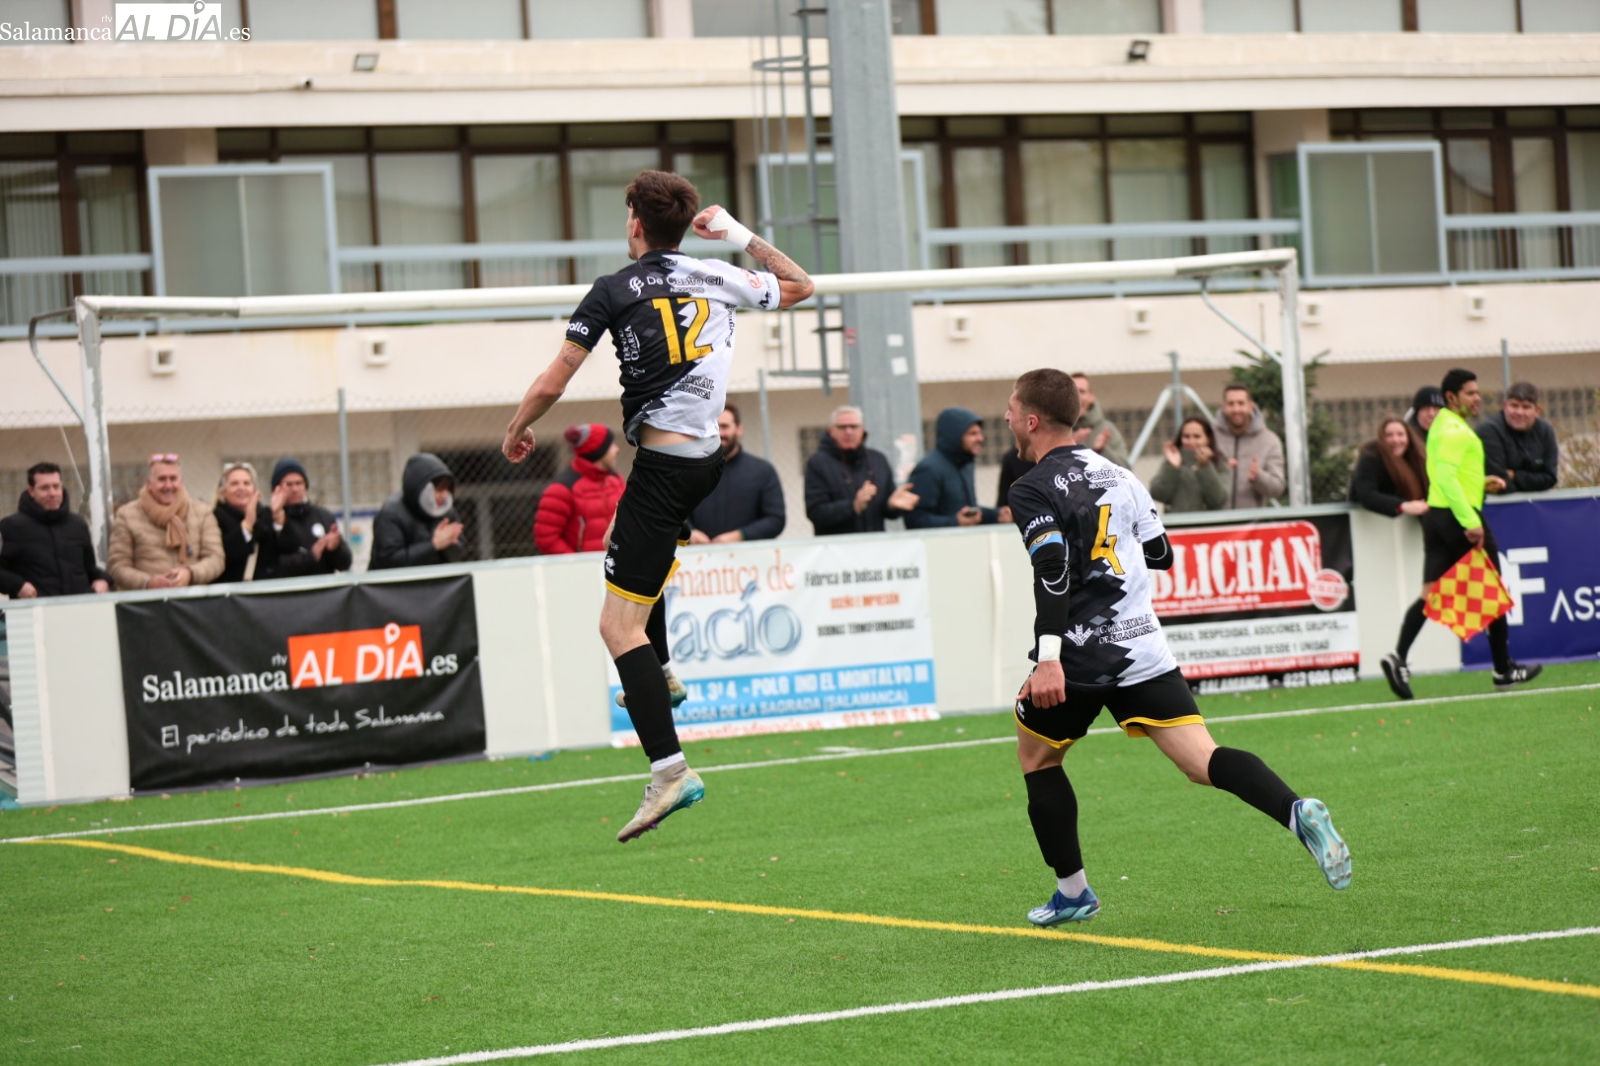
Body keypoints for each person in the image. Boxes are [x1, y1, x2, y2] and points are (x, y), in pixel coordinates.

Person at [500, 169, 812, 843]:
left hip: (665, 468)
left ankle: (670, 771)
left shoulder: (614, 288)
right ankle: (663, 671)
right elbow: (800, 284)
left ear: (636, 224)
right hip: (701, 462)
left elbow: (556, 378)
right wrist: (737, 234)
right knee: (630, 543)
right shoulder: (716, 273)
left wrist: (518, 426)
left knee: (617, 629)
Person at [1001, 368, 1350, 927]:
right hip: (1143, 647)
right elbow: (1160, 552)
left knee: (1037, 757)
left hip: (1082, 655)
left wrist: (1048, 659)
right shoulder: (1121, 474)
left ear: (1033, 420)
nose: (1007, 418)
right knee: (1202, 760)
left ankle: (1073, 893)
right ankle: (1294, 808)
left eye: (1012, 410)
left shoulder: (1030, 487)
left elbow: (1052, 569)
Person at [1382, 368, 1542, 700]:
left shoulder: (1442, 425)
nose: (1477, 398)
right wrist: (1470, 520)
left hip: (1437, 516)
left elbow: (1446, 475)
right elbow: (1447, 477)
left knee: (1430, 593)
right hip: (1458, 517)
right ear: (1451, 397)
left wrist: (1481, 484)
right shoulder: (1455, 430)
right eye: (1470, 393)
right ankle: (1503, 670)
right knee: (1493, 590)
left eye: (1477, 392)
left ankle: (1398, 657)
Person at [107, 453, 225, 591]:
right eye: (162, 479)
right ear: (149, 483)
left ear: (181, 482)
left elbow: (216, 559)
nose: (168, 485)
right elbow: (117, 565)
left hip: (192, 598)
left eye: (173, 478)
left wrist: (191, 574)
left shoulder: (202, 513)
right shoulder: (127, 515)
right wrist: (147, 582)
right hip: (146, 599)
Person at [804, 405, 920, 536]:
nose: (849, 432)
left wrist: (892, 505)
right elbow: (816, 512)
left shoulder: (877, 460)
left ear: (862, 430)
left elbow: (886, 510)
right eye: (842, 427)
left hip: (874, 542)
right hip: (836, 544)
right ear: (831, 431)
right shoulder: (818, 463)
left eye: (854, 426)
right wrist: (853, 506)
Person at [0, 462, 110, 598]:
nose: (52, 493)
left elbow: (89, 568)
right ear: (31, 491)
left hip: (80, 607)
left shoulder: (78, 525)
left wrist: (101, 579)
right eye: (44, 488)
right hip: (34, 608)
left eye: (56, 486)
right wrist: (17, 585)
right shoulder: (11, 527)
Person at [688, 404, 785, 543]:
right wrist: (689, 532)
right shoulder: (690, 471)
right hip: (699, 555)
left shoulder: (762, 471)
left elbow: (775, 519)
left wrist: (740, 535)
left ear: (739, 429)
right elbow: (671, 511)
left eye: (725, 426)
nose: (719, 433)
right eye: (714, 427)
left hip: (747, 556)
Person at [904, 407, 1006, 529]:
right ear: (955, 436)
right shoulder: (929, 469)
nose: (980, 438)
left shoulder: (965, 464)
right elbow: (914, 520)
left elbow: (966, 511)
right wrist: (954, 522)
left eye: (980, 433)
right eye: (973, 434)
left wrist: (997, 515)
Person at [533, 424, 625, 555]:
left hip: (619, 564)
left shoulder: (616, 480)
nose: (617, 449)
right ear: (598, 451)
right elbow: (546, 539)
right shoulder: (561, 490)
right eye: (611, 445)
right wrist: (577, 563)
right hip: (585, 567)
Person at [369, 453, 465, 570]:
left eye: (447, 489)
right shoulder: (391, 513)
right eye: (439, 489)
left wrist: (449, 543)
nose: (444, 495)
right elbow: (388, 561)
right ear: (421, 487)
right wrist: (433, 545)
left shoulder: (446, 512)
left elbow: (459, 553)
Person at [267, 458, 352, 578]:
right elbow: (272, 566)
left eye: (299, 483)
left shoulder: (323, 517)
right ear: (277, 488)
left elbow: (345, 564)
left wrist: (335, 549)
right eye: (289, 484)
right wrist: (311, 557)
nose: (295, 489)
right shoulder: (269, 520)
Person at [1211, 383, 1286, 509]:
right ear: (1223, 407)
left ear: (1251, 406)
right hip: (1214, 519)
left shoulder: (1269, 440)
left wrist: (1258, 477)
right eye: (1231, 404)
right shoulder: (1209, 436)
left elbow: (1277, 489)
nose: (1236, 409)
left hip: (1252, 519)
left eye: (1241, 403)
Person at [1478, 382, 1559, 494]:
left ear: (1537, 411)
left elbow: (1550, 479)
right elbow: (1499, 483)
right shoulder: (1489, 431)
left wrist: (1514, 476)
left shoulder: (1545, 431)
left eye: (1526, 407)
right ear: (1505, 406)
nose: (1519, 412)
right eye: (1514, 406)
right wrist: (1531, 482)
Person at [212, 462, 279, 584]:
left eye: (246, 483)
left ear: (254, 490)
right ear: (222, 491)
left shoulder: (266, 516)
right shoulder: (213, 518)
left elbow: (282, 550)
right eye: (234, 484)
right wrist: (247, 525)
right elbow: (222, 556)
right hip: (231, 591)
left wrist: (279, 516)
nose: (241, 488)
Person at [1350, 418, 1429, 519]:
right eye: (1389, 435)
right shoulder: (1370, 457)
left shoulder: (1417, 458)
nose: (1395, 440)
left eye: (1400, 434)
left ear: (1409, 437)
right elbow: (1366, 494)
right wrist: (1402, 506)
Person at [1148, 417, 1228, 514]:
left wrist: (1205, 467)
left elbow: (1218, 500)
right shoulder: (1172, 461)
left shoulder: (1219, 463)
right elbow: (1158, 494)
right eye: (1186, 436)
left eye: (1197, 436)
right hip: (1177, 522)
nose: (1191, 441)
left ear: (1208, 439)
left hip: (1208, 522)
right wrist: (1172, 468)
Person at [1070, 373, 1130, 470]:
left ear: (1091, 397)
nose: (1077, 397)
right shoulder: (1058, 430)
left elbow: (1125, 469)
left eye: (1082, 392)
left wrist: (1102, 450)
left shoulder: (1106, 429)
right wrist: (1068, 446)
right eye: (1073, 392)